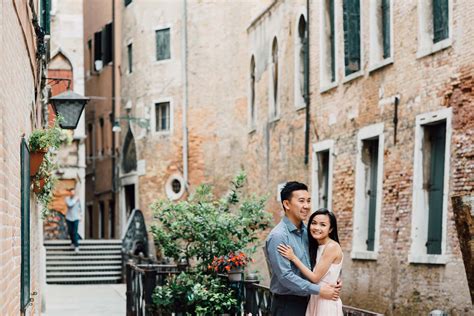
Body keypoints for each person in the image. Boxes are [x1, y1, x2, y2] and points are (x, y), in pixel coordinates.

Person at [265, 182, 341, 316]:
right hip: (288, 305)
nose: (306, 206)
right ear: (287, 204)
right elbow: (285, 276)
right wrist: (318, 290)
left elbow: (321, 259)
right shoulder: (279, 236)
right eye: (301, 201)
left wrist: (333, 277)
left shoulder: (308, 232)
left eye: (308, 201)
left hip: (311, 301)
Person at [278, 208, 344, 315]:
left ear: (331, 229)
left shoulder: (331, 246)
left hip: (326, 301)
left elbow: (315, 277)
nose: (317, 228)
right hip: (316, 297)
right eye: (314, 223)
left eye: (323, 225)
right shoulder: (316, 245)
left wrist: (293, 257)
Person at [65, 188, 82, 253]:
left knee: (75, 232)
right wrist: (75, 199)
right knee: (70, 232)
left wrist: (81, 216)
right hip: (69, 218)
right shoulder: (67, 199)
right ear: (69, 193)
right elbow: (70, 205)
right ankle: (72, 242)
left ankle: (76, 246)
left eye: (73, 192)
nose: (72, 193)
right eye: (71, 192)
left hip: (76, 218)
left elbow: (80, 208)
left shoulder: (78, 199)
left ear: (74, 193)